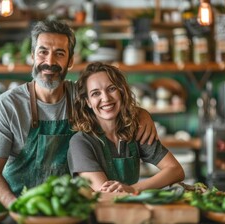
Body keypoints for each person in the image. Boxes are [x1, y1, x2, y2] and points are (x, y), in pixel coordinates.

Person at [0, 20, 158, 208]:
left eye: (59, 54)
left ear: (70, 61)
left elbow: (112, 105)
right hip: (20, 204)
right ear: (32, 56)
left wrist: (141, 113)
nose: (49, 62)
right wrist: (14, 206)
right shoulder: (8, 106)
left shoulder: (81, 96)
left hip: (69, 206)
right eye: (43, 52)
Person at [68, 62, 185, 193]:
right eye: (96, 93)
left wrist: (133, 188)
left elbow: (176, 170)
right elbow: (109, 193)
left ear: (121, 92)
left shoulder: (135, 130)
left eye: (111, 89)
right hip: (99, 211)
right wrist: (132, 190)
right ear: (88, 102)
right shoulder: (80, 142)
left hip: (130, 208)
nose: (106, 98)